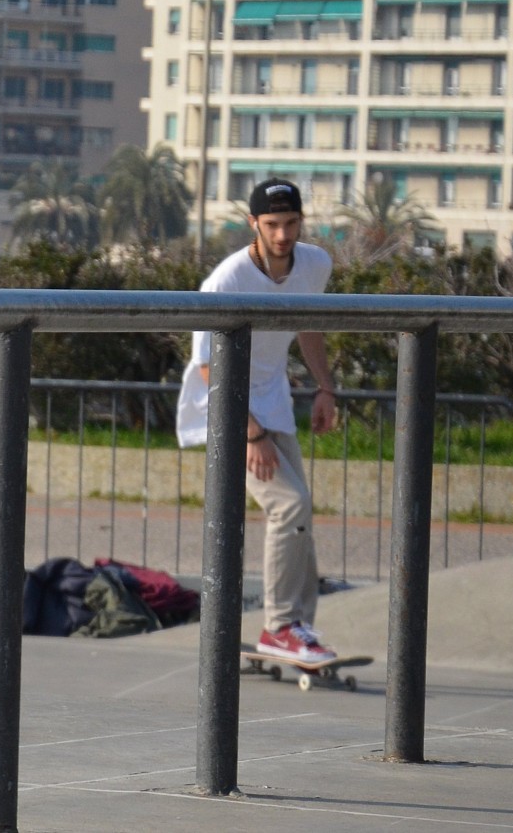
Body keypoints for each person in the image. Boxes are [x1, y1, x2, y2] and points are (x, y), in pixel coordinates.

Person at [175, 177, 342, 664]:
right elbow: (207, 365)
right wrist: (251, 433)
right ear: (253, 225)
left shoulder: (315, 264)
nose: (283, 235)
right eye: (272, 225)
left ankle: (299, 629)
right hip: (224, 407)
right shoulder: (227, 280)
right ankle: (280, 626)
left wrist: (324, 386)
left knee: (301, 513)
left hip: (273, 402)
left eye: (291, 224)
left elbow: (309, 323)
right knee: (288, 507)